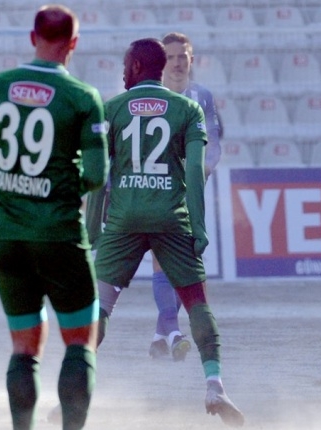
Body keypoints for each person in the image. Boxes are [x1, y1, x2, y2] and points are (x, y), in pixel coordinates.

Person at [0, 5, 108, 429]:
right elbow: (96, 175)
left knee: (24, 349)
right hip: (59, 237)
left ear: (31, 37)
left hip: (8, 238)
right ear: (73, 44)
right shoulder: (82, 97)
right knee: (79, 345)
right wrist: (63, 188)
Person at [93, 37, 244, 427]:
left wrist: (93, 228)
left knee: (100, 306)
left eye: (127, 64)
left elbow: (97, 174)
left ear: (138, 67)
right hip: (171, 218)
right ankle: (215, 385)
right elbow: (195, 171)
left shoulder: (111, 109)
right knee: (197, 302)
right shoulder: (188, 109)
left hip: (124, 220)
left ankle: (74, 384)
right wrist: (199, 226)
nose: (123, 71)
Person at [146, 31, 223, 362]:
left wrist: (199, 174)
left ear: (192, 60)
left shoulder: (202, 97)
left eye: (182, 57)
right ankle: (174, 332)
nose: (177, 63)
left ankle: (162, 333)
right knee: (164, 259)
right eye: (171, 57)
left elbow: (215, 145)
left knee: (185, 263)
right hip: (155, 190)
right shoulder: (147, 96)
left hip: (190, 194)